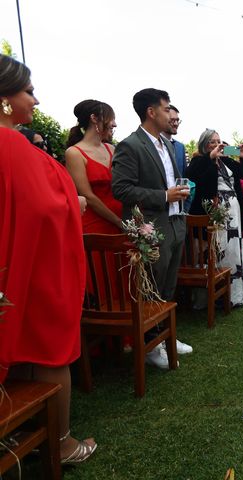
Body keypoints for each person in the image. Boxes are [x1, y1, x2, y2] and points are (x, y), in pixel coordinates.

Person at [0, 54, 97, 463]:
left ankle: (22, 425)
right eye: (29, 91)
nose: (35, 101)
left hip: (12, 259)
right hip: (30, 265)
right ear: (4, 97)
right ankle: (60, 443)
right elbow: (41, 207)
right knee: (49, 347)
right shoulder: (9, 144)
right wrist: (71, 203)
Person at [111, 88, 193, 368]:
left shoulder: (168, 144)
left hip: (175, 222)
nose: (171, 113)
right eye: (167, 108)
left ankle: (166, 335)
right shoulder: (131, 145)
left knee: (169, 284)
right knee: (152, 286)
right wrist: (163, 196)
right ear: (151, 112)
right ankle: (150, 346)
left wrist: (176, 199)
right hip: (151, 226)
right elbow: (120, 189)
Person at [186, 129, 243, 306]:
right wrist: (210, 158)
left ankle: (234, 295)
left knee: (232, 249)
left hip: (233, 213)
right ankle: (212, 297)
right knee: (217, 249)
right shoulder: (199, 161)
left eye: (219, 141)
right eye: (212, 142)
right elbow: (192, 176)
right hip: (213, 213)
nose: (217, 145)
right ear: (204, 145)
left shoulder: (226, 161)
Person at [65, 99, 122, 234]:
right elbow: (88, 196)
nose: (114, 124)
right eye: (111, 119)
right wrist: (118, 221)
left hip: (123, 219)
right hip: (97, 224)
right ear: (94, 118)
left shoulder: (111, 149)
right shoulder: (74, 153)